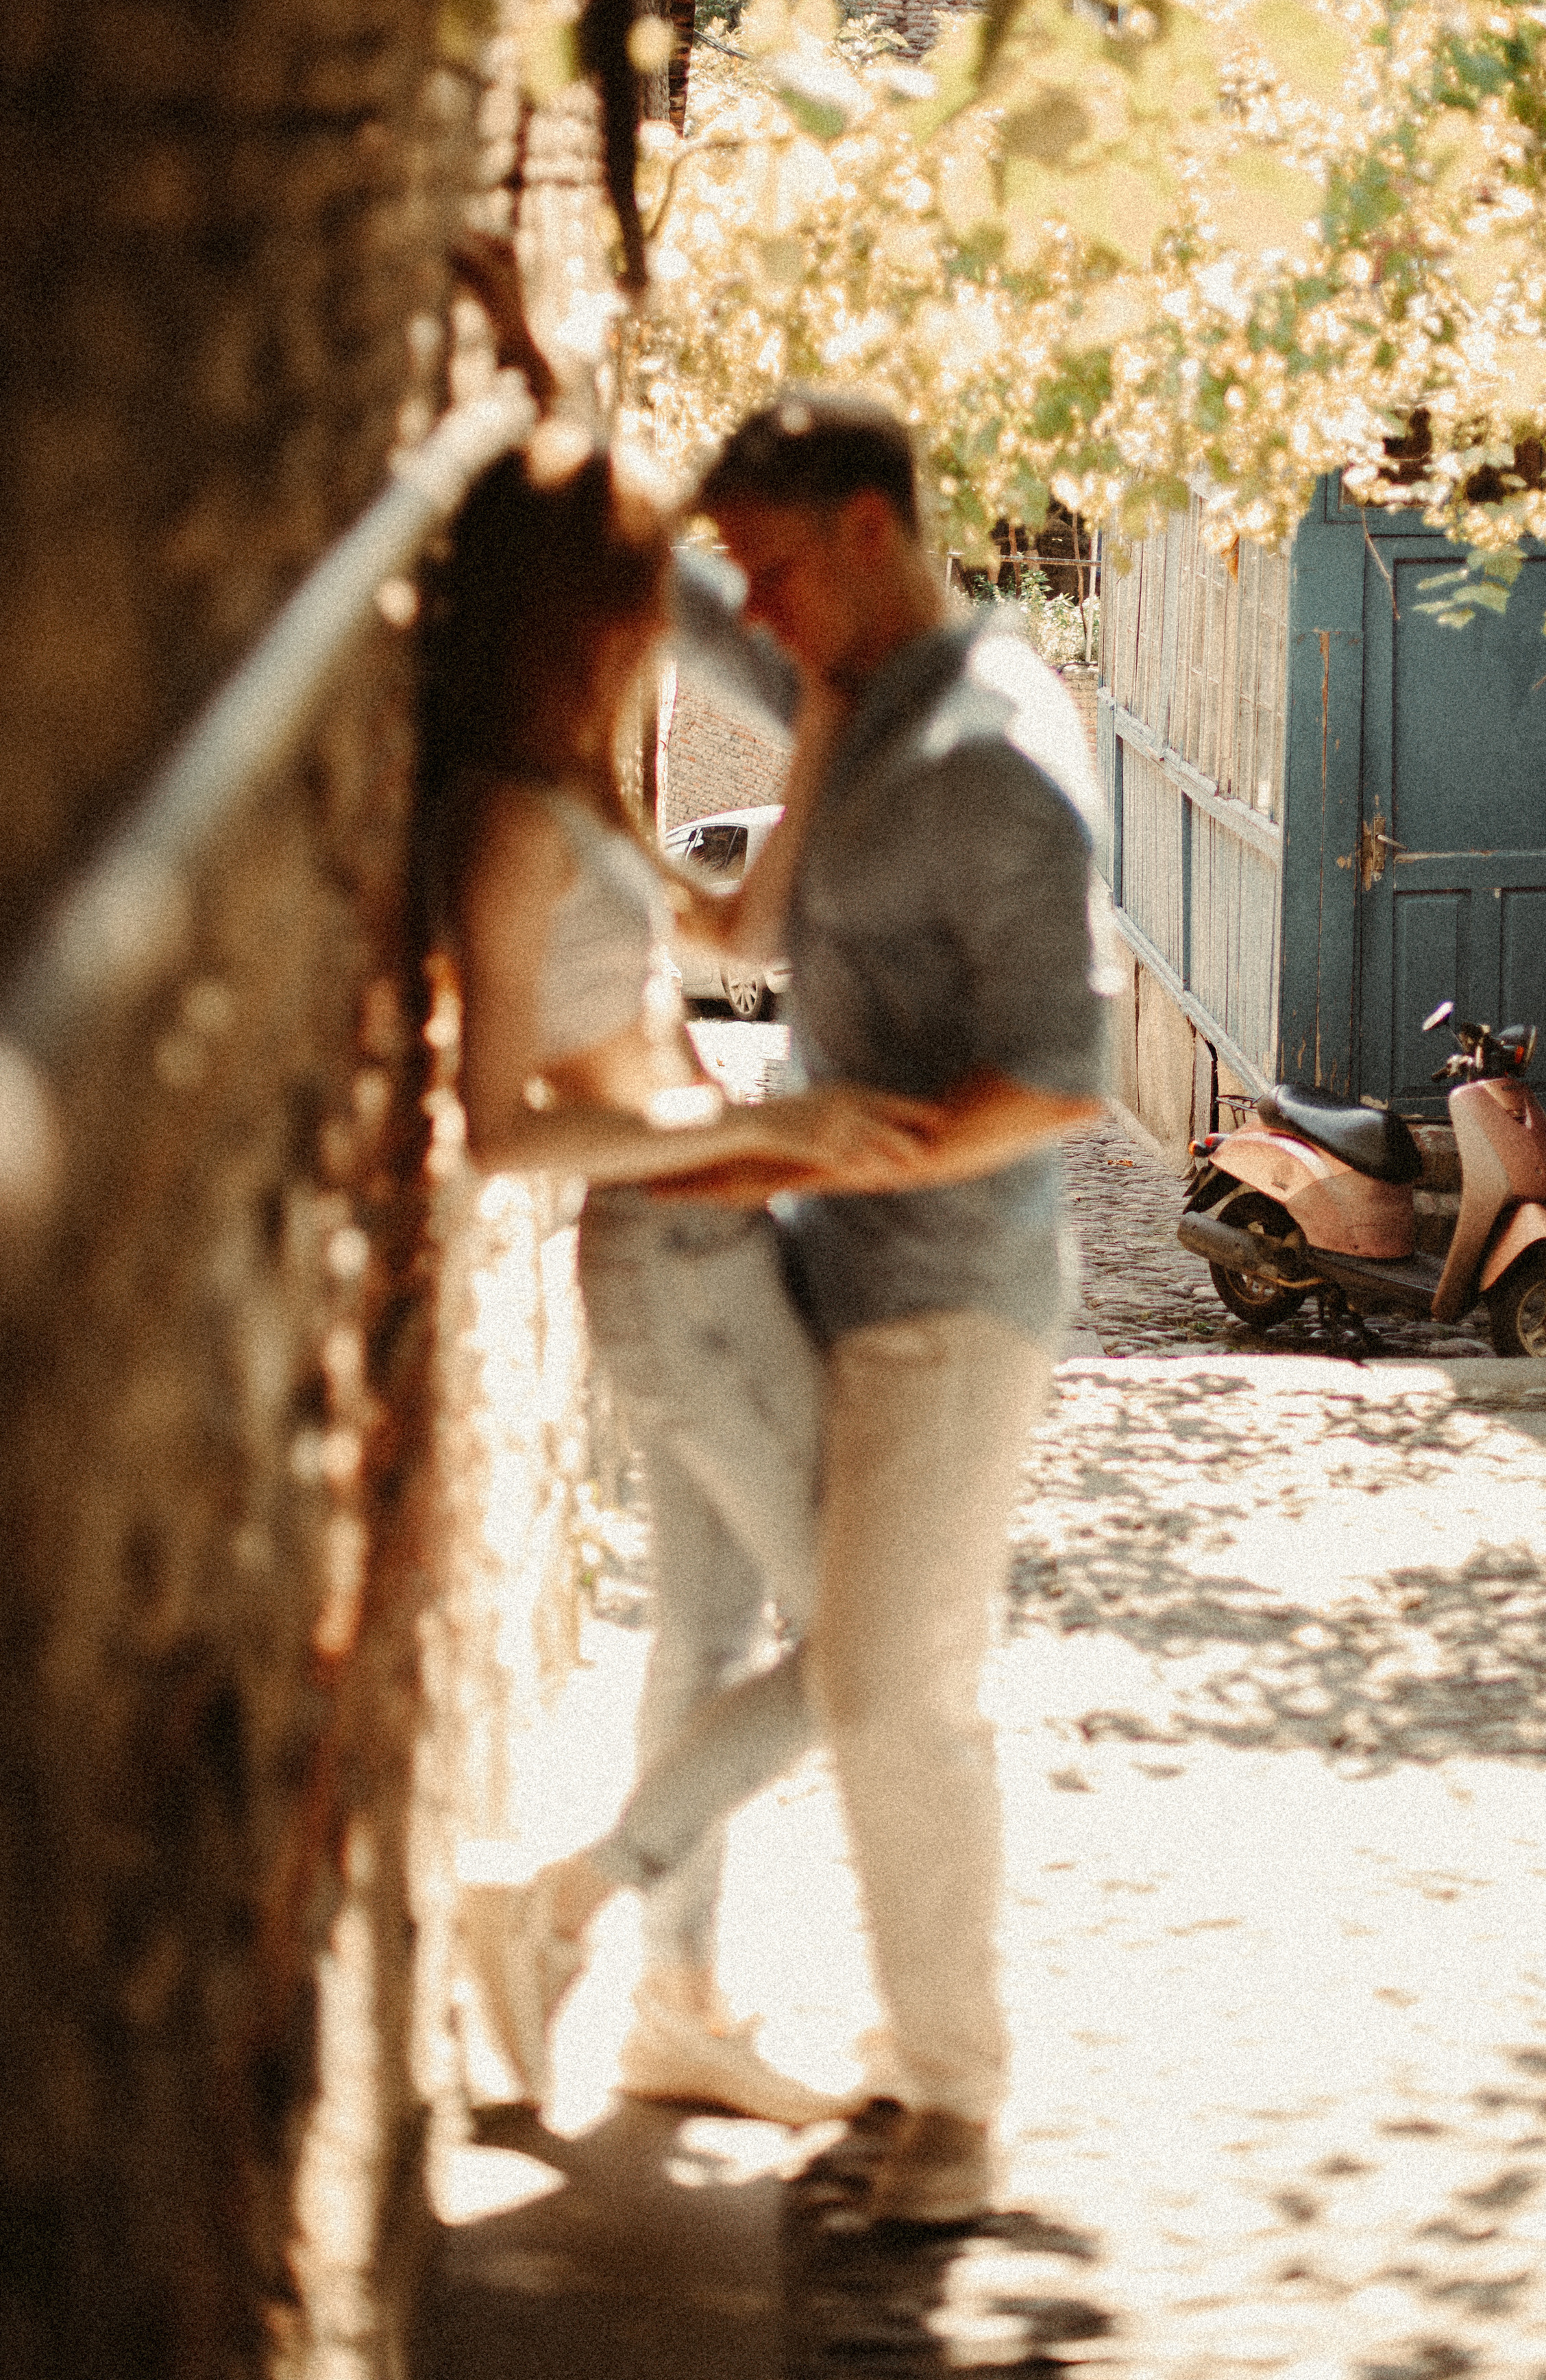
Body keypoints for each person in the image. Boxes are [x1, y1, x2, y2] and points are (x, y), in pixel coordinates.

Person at [421, 424, 940, 2126]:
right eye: (642, 605)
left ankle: (675, 2006)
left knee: (707, 1632)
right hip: (669, 1258)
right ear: (567, 620)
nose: (666, 630)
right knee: (871, 1634)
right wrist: (753, 1149)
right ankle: (562, 1907)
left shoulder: (575, 777)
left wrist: (819, 747)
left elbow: (721, 947)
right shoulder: (504, 822)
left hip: (712, 1235)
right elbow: (500, 1131)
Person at [668, 394, 1116, 2223]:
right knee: (847, 1671)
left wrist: (848, 1155)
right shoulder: (857, 694)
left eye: (777, 572)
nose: (756, 619)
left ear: (869, 530)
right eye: (743, 585)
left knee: (894, 1694)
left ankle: (956, 2104)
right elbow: (704, 625)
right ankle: (871, 2052)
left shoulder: (994, 753)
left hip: (953, 1308)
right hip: (827, 1285)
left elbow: (1065, 1077)